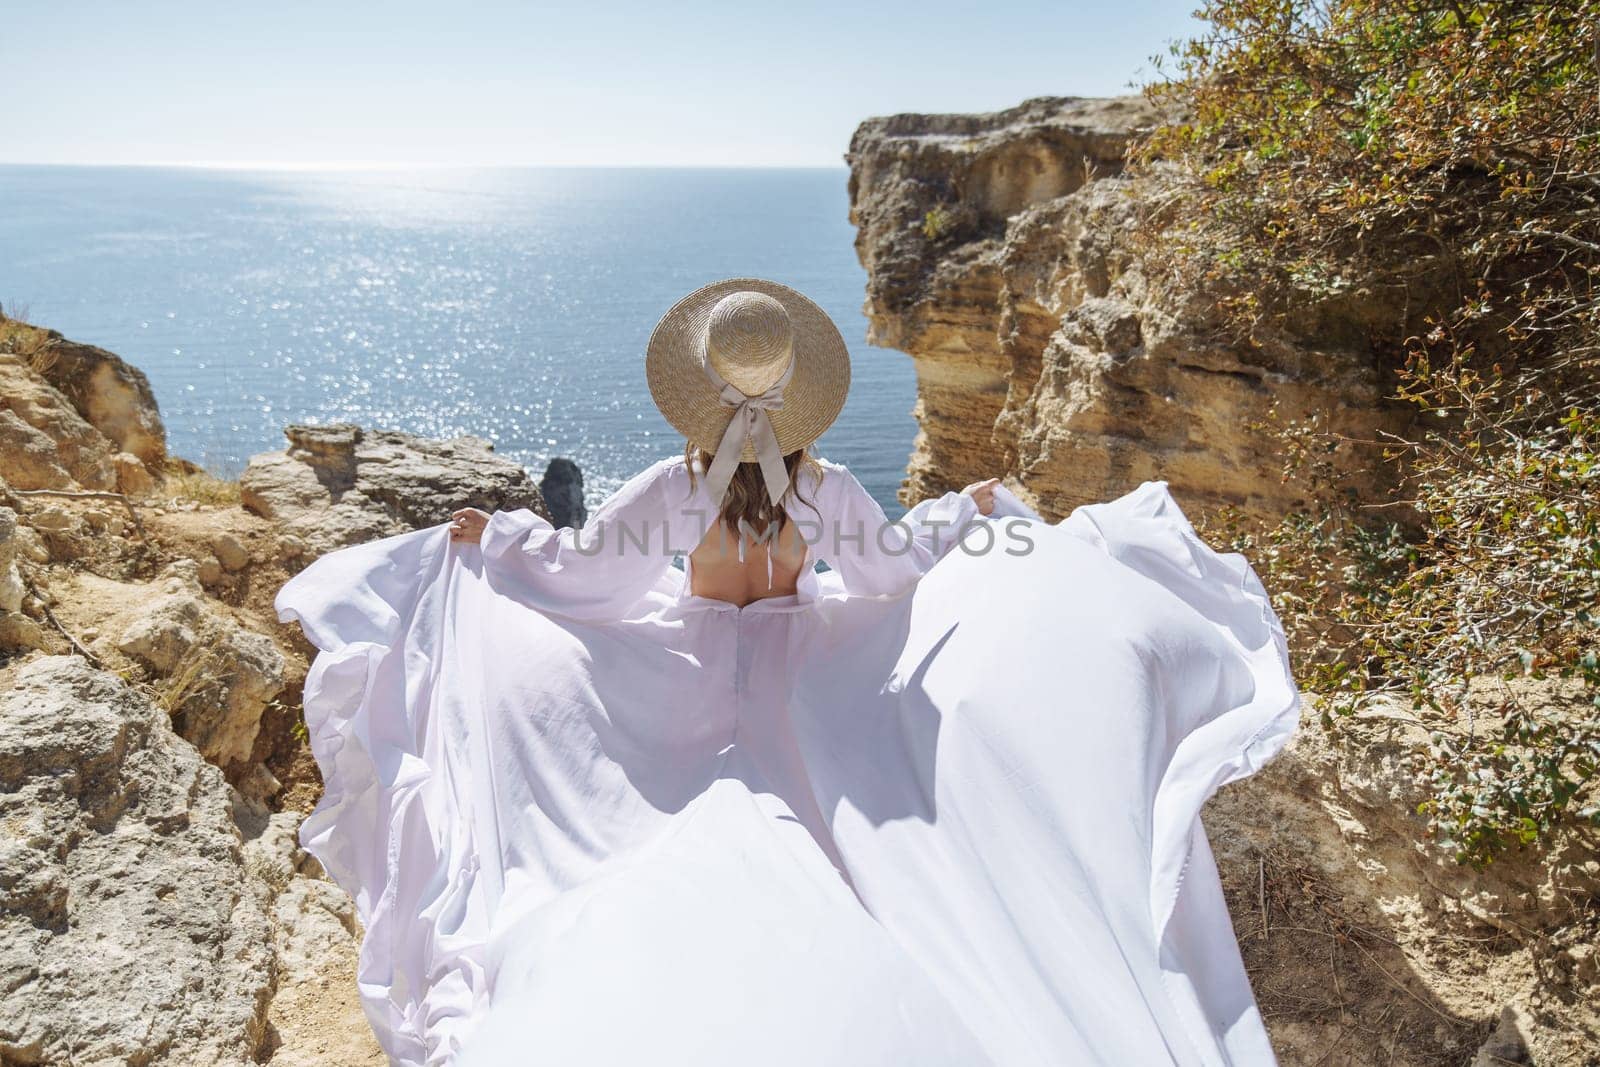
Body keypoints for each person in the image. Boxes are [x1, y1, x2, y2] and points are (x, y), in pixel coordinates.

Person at [274, 278, 1301, 1067]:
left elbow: (590, 572)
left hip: (692, 664)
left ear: (700, 382)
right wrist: (964, 515)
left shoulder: (676, 484)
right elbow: (891, 565)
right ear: (797, 386)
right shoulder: (829, 484)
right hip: (803, 666)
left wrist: (495, 541)